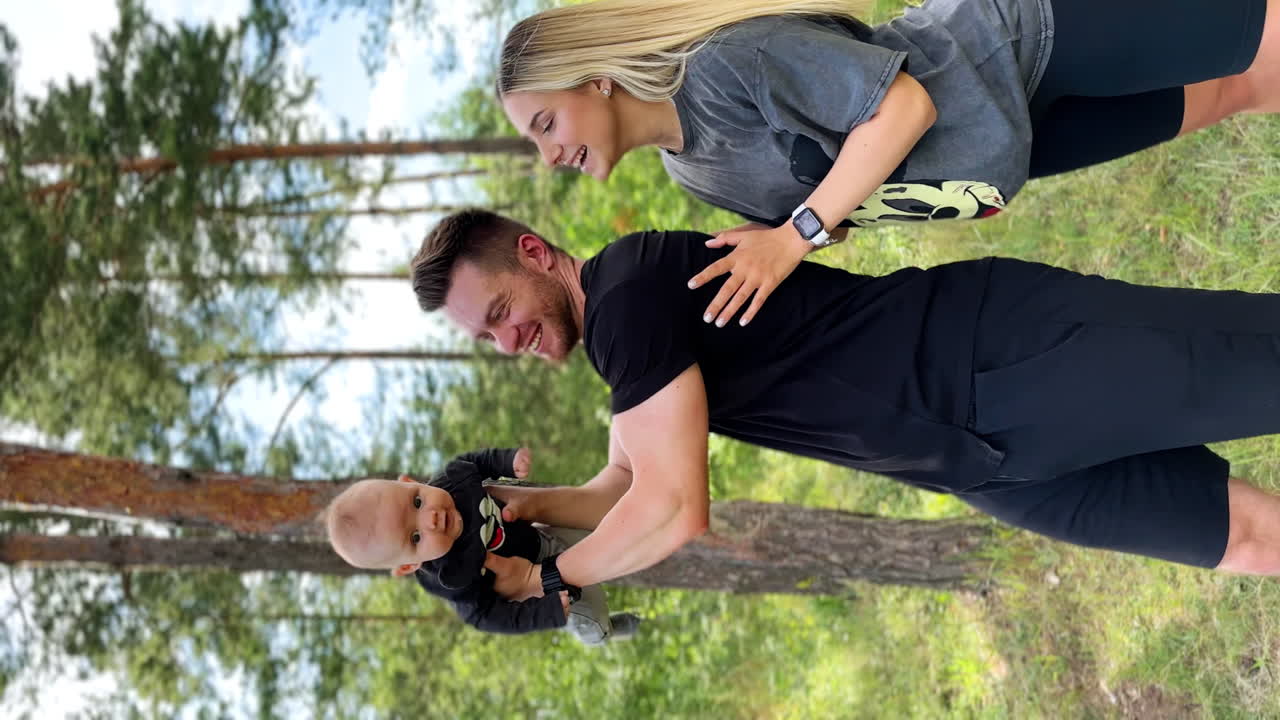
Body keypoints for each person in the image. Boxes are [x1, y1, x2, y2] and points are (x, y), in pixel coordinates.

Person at [409, 208, 1280, 604]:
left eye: (499, 314)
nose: (507, 339)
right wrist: (526, 509)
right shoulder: (627, 353)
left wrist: (551, 579)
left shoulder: (629, 297)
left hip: (993, 358)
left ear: (532, 253)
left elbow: (672, 509)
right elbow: (622, 484)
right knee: (1239, 541)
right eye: (486, 339)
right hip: (981, 463)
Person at [497, 0, 1280, 327]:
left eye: (545, 123)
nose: (550, 153)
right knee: (1234, 94)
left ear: (595, 80)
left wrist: (797, 233)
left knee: (1257, 32)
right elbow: (841, 191)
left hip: (1026, 40)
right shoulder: (691, 174)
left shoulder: (725, 68)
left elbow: (903, 107)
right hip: (1015, 139)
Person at [325, 446, 639, 645]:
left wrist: (506, 460)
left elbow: (474, 463)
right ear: (410, 565)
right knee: (592, 610)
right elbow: (492, 618)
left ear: (411, 483)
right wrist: (545, 613)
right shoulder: (454, 578)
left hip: (540, 537)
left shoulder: (451, 481)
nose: (431, 519)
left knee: (615, 537)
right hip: (545, 586)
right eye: (415, 537)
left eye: (417, 502)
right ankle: (605, 631)